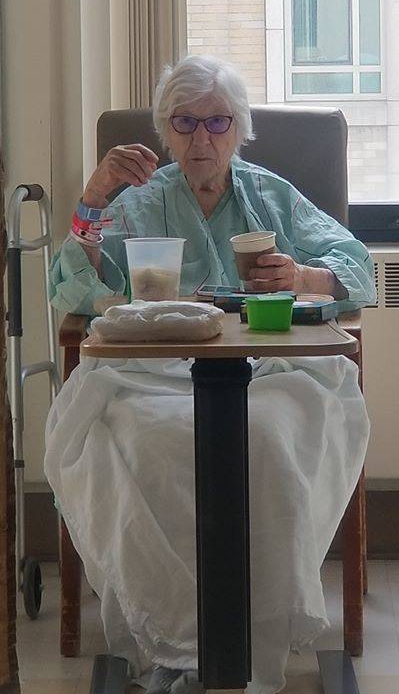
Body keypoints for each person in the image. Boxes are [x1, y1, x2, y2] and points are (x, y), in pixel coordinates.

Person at [45, 55, 375, 694]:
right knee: (148, 443)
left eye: (218, 122)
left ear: (240, 128)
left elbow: (356, 263)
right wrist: (90, 200)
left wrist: (304, 278)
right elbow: (73, 286)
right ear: (165, 130)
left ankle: (250, 634)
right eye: (185, 123)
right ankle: (172, 637)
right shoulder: (135, 202)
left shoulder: (271, 196)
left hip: (268, 371)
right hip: (152, 373)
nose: (202, 139)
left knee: (270, 439)